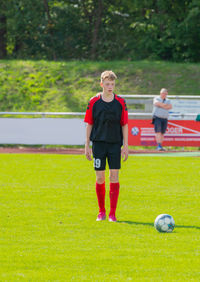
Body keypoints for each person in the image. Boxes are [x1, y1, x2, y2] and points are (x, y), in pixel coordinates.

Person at [84, 70, 128, 222]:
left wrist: (126, 146)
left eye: (113, 84)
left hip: (115, 144)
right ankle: (101, 211)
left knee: (114, 176)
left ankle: (112, 214)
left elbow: (124, 124)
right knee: (100, 177)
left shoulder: (121, 102)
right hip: (98, 144)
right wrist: (87, 146)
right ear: (101, 84)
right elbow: (89, 124)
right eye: (107, 84)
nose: (110, 87)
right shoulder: (94, 101)